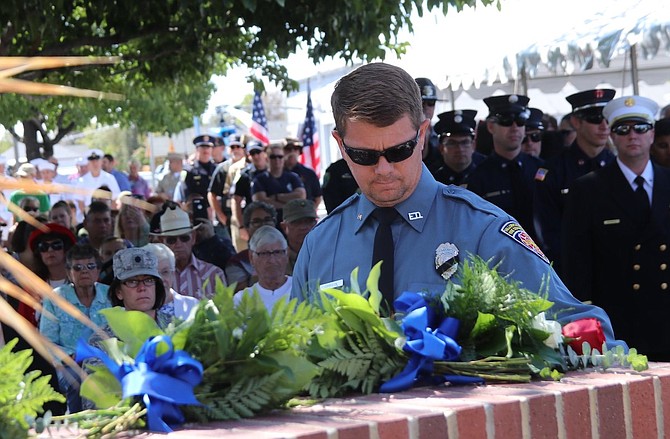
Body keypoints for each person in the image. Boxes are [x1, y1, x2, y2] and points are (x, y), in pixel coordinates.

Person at [291, 62, 625, 352]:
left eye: (399, 151)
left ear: (422, 135)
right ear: (340, 144)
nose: (384, 169)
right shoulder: (321, 245)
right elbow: (295, 353)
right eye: (364, 156)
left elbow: (579, 327)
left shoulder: (482, 230)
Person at [562, 95, 670, 360]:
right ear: (611, 134)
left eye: (640, 128)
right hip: (621, 322)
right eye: (622, 129)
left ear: (652, 133)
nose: (632, 135)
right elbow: (576, 260)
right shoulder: (588, 188)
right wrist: (585, 317)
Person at [533, 89, 616, 269]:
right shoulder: (553, 171)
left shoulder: (618, 166)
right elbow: (548, 231)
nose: (604, 126)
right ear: (576, 122)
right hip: (571, 268)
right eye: (595, 119)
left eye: (608, 119)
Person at [39, 243, 110, 412]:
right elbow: (47, 342)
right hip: (70, 363)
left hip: (107, 358)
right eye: (77, 267)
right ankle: (79, 428)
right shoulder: (56, 299)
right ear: (69, 273)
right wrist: (70, 356)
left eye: (90, 266)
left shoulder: (110, 294)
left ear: (98, 271)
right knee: (77, 378)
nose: (84, 271)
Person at [464, 94, 543, 240]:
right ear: (491, 126)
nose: (514, 128)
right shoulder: (479, 177)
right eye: (506, 121)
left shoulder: (541, 169)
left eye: (520, 121)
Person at [152, 203, 227, 299]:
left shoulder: (214, 274)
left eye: (184, 238)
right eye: (171, 240)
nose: (178, 244)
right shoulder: (153, 276)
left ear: (193, 238)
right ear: (162, 242)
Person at [234, 225, 291, 311]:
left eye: (277, 252)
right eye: (264, 254)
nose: (272, 260)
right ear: (251, 258)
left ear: (287, 255)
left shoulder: (302, 289)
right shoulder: (241, 300)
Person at [225, 201, 277, 292]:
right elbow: (242, 298)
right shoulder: (238, 262)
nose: (263, 225)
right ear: (247, 228)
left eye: (268, 219)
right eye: (256, 222)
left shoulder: (287, 254)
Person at [251, 142, 306, 222]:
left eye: (280, 157)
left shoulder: (293, 177)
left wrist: (276, 197)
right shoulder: (259, 180)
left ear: (284, 158)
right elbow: (260, 201)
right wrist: (289, 204)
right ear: (267, 159)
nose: (277, 160)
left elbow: (301, 196)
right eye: (273, 157)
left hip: (291, 222)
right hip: (269, 223)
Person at [143, 243, 199, 320]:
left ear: (173, 274)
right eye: (153, 274)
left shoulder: (193, 305)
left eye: (165, 272)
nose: (160, 279)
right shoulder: (131, 310)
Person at [432, 110, 485, 186]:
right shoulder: (433, 182)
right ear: (441, 148)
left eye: (465, 142)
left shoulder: (488, 177)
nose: (460, 148)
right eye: (452, 143)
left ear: (473, 145)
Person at [73, 149, 121, 224]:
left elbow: (115, 200)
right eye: (92, 161)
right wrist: (90, 217)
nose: (95, 164)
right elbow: (81, 204)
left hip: (107, 219)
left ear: (101, 162)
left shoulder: (110, 178)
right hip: (88, 219)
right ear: (88, 163)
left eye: (97, 161)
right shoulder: (81, 181)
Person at [29, 222, 76, 288]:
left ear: (66, 249)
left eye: (56, 245)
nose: (50, 250)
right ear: (39, 253)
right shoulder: (33, 283)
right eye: (44, 246)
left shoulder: (80, 279)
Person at [280, 199, 318, 274]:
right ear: (284, 227)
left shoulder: (328, 252)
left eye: (309, 221)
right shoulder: (276, 258)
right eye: (297, 222)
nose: (304, 227)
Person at [179, 135, 217, 209]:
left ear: (212, 149)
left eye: (208, 147)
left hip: (216, 209)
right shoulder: (189, 170)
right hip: (198, 209)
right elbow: (186, 195)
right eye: (202, 147)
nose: (205, 150)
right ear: (197, 149)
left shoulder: (217, 169)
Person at [283, 137, 323, 207]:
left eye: (295, 149)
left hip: (305, 213)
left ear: (299, 151)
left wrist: (310, 212)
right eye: (288, 149)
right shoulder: (276, 173)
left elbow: (317, 197)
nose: (292, 152)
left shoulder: (309, 173)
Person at [415, 77, 442, 173]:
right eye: (421, 103)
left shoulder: (441, 135)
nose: (425, 107)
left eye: (431, 103)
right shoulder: (400, 135)